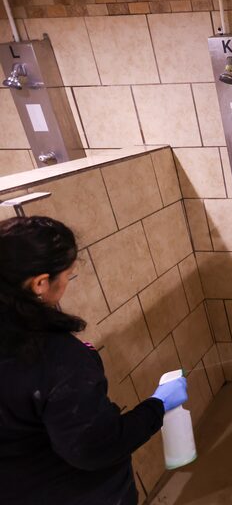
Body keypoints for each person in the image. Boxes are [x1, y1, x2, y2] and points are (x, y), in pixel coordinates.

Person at [0, 216, 189, 505]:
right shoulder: (55, 359)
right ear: (40, 283)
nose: (67, 283)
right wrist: (158, 405)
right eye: (67, 275)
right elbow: (96, 448)